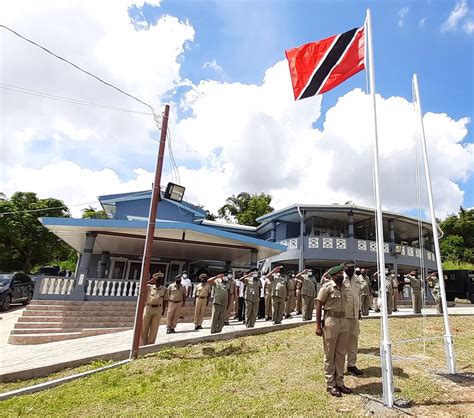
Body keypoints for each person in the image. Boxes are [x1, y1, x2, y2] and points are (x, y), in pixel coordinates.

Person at [315, 265, 352, 397]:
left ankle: (340, 382)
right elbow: (319, 305)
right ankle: (330, 384)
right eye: (339, 275)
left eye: (342, 274)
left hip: (343, 321)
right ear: (333, 276)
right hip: (330, 321)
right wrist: (318, 325)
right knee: (330, 353)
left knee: (341, 353)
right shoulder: (326, 287)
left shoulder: (344, 288)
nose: (342, 277)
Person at [342, 263, 363, 376]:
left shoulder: (357, 280)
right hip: (343, 315)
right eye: (348, 268)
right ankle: (339, 365)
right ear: (344, 268)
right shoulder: (340, 278)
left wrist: (359, 310)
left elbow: (357, 296)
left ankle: (351, 365)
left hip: (354, 315)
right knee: (342, 341)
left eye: (352, 268)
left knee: (353, 340)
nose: (350, 269)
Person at [141, 272, 168, 345]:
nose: (160, 280)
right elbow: (139, 287)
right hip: (148, 308)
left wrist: (163, 310)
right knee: (144, 326)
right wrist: (149, 281)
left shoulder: (165, 289)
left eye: (161, 279)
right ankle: (142, 343)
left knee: (154, 327)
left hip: (158, 309)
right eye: (158, 279)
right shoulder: (149, 286)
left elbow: (165, 301)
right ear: (155, 279)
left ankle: (150, 343)